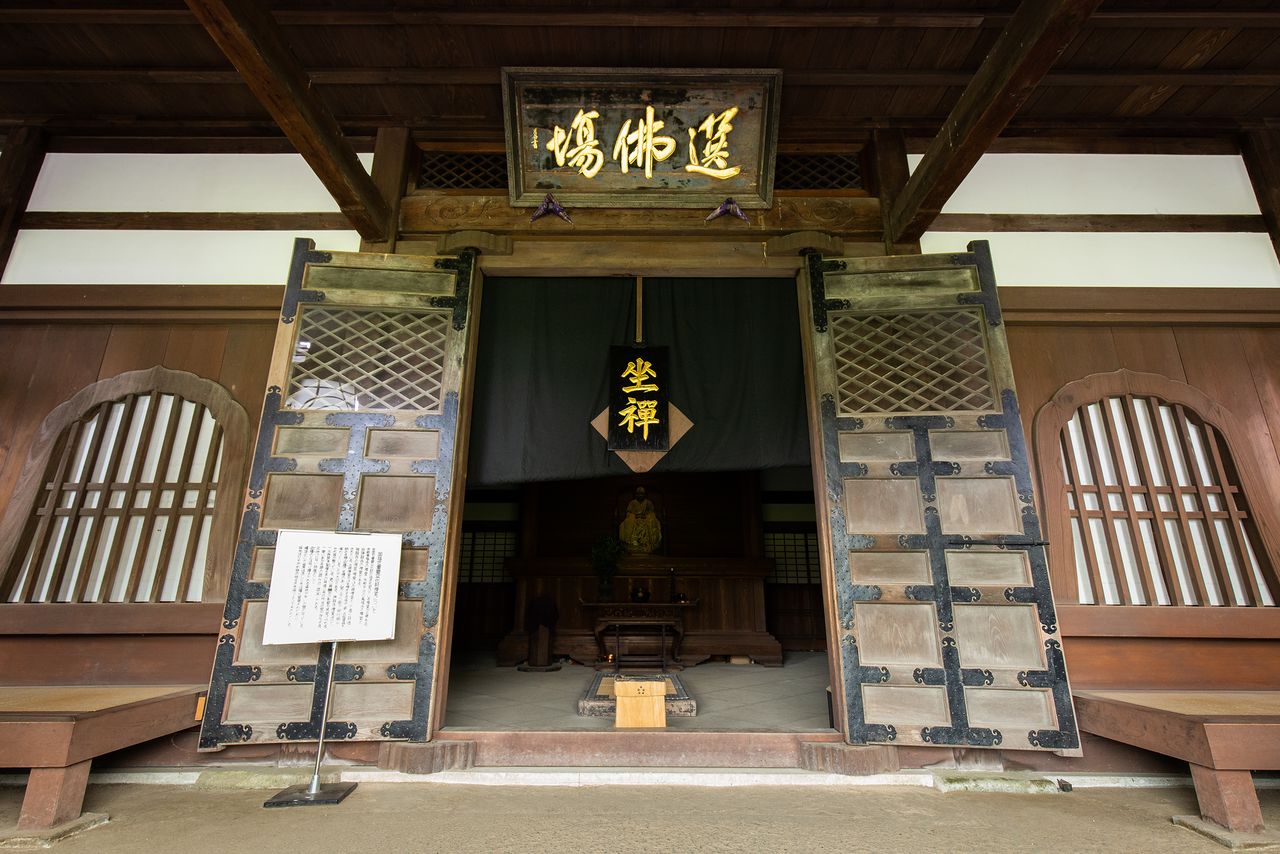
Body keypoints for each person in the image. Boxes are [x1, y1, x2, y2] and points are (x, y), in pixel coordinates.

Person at [618, 486, 662, 554]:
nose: (640, 495)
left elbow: (652, 513)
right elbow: (629, 512)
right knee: (625, 524)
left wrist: (647, 516)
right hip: (634, 520)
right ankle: (632, 546)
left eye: (642, 493)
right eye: (638, 493)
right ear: (635, 495)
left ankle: (648, 546)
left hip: (646, 520)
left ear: (644, 494)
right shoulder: (632, 502)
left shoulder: (648, 503)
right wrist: (633, 516)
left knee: (653, 523)